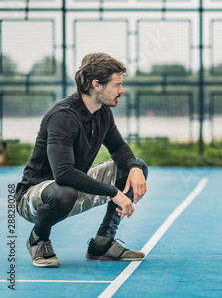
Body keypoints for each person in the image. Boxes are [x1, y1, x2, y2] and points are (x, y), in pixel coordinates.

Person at [16, 53, 148, 268]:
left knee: (136, 166)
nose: (121, 91)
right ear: (97, 85)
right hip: (35, 197)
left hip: (72, 186)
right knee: (64, 192)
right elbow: (64, 174)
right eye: (117, 85)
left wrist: (133, 167)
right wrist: (114, 193)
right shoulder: (63, 116)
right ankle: (38, 238)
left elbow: (118, 147)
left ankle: (102, 244)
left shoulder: (102, 112)